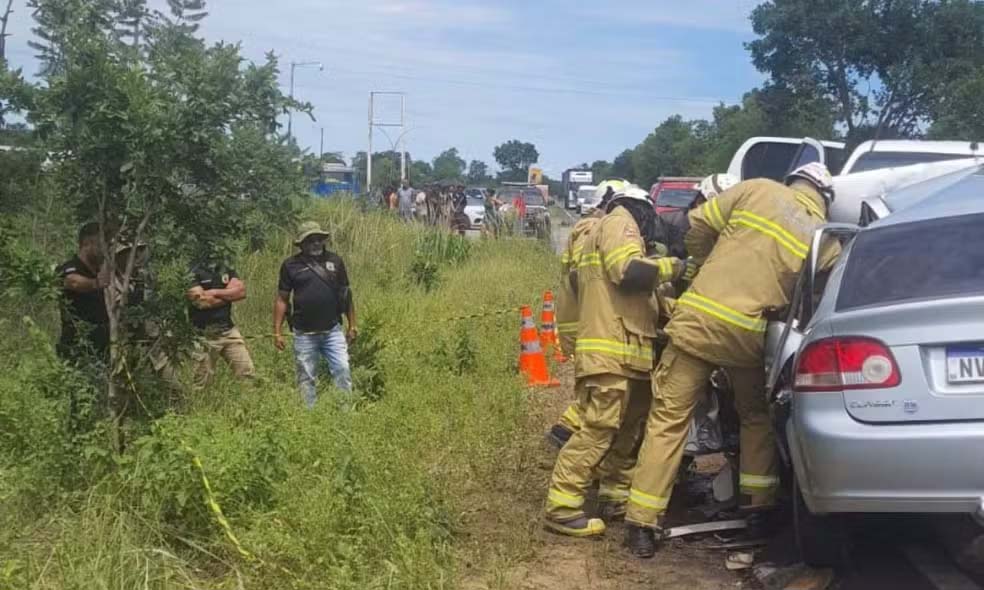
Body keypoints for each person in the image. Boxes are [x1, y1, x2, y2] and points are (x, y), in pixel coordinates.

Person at [624, 163, 839, 557]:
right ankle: (758, 512)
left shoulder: (757, 189)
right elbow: (815, 299)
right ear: (824, 198)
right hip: (748, 335)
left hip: (698, 321)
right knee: (756, 418)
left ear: (792, 179)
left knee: (669, 420)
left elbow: (696, 226)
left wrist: (706, 264)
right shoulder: (827, 239)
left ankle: (641, 523)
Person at [543, 185, 691, 537]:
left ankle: (612, 494)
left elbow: (641, 299)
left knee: (629, 428)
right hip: (611, 352)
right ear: (639, 209)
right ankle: (561, 508)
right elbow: (627, 272)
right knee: (599, 428)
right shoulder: (621, 223)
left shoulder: (620, 234)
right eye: (649, 216)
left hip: (630, 355)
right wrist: (677, 267)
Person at [547, 179, 627, 447]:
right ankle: (568, 431)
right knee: (601, 386)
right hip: (585, 322)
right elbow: (583, 276)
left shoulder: (590, 226)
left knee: (597, 387)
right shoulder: (593, 229)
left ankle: (569, 429)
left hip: (582, 320)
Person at [273, 221, 358, 409]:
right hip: (304, 334)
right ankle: (309, 416)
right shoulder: (290, 265)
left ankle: (345, 414)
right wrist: (277, 332)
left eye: (318, 239)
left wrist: (352, 325)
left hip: (332, 331)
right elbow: (282, 299)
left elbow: (346, 294)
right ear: (301, 244)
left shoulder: (335, 261)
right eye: (310, 240)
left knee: (342, 369)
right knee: (306, 376)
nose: (316, 243)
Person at [186, 257, 255, 389]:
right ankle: (202, 408)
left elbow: (241, 292)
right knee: (201, 382)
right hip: (203, 334)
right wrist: (229, 296)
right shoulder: (192, 268)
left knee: (247, 374)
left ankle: (249, 406)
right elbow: (201, 302)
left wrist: (214, 292)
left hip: (228, 331)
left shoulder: (225, 266)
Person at [56, 222, 110, 363]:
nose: (104, 250)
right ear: (87, 243)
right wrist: (96, 283)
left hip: (102, 345)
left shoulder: (99, 271)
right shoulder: (69, 267)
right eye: (101, 245)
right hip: (77, 345)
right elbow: (72, 282)